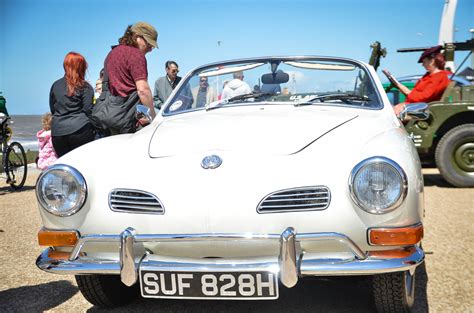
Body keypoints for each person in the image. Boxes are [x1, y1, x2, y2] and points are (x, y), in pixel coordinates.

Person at [94, 22, 157, 135]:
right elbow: (143, 90)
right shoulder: (136, 55)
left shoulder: (112, 53)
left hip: (108, 117)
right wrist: (153, 117)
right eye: (148, 43)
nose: (150, 48)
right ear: (137, 36)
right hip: (127, 120)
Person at [50, 52, 96, 157]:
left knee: (65, 165)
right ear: (81, 67)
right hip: (80, 130)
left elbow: (53, 108)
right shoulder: (85, 87)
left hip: (58, 132)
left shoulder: (55, 85)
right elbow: (88, 110)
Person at [383, 45, 451, 116]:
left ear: (432, 61)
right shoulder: (430, 75)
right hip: (417, 106)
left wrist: (407, 93)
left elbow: (424, 97)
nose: (422, 65)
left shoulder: (439, 76)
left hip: (423, 109)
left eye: (424, 62)